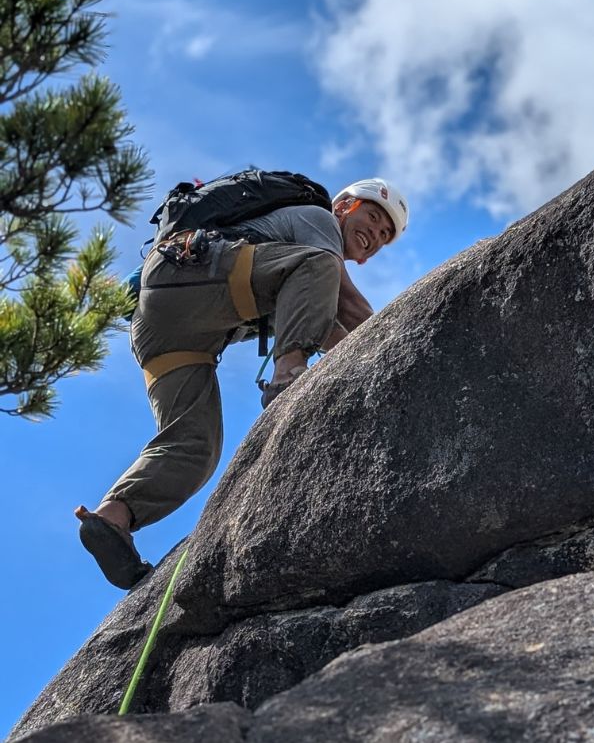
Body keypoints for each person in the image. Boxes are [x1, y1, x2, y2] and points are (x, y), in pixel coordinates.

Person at [75, 177, 409, 590]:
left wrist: (368, 368)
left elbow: (331, 329)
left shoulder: (299, 278)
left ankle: (112, 519)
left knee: (196, 446)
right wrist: (403, 344)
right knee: (318, 265)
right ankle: (288, 377)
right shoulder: (320, 220)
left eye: (383, 235)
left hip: (161, 326)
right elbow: (348, 304)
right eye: (372, 217)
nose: (374, 234)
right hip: (188, 276)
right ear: (344, 208)